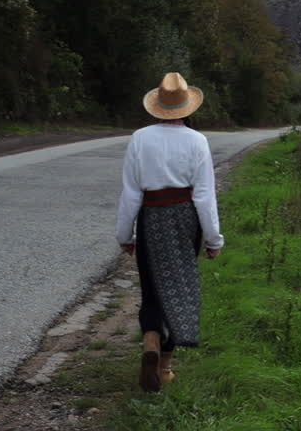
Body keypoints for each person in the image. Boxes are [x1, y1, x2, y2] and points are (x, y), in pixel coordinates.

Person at [115, 72, 224, 392]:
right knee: (177, 290)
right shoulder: (197, 141)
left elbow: (131, 193)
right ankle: (164, 368)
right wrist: (214, 239)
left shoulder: (140, 138)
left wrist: (125, 236)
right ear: (187, 107)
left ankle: (150, 340)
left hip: (151, 219)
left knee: (152, 288)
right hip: (185, 221)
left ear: (157, 105)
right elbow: (204, 196)